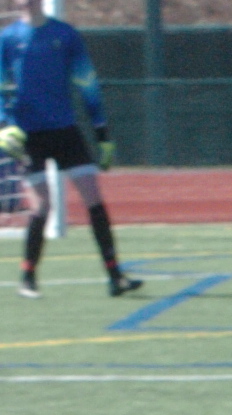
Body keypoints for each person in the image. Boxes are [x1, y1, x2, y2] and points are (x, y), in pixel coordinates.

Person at [0, 0, 140, 299]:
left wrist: (102, 134)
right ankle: (28, 276)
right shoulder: (8, 38)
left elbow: (88, 84)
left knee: (93, 198)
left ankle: (115, 275)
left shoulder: (65, 35)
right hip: (29, 135)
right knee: (42, 205)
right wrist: (4, 125)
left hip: (65, 131)